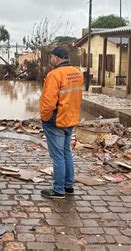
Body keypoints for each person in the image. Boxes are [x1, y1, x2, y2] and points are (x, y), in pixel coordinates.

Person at [40, 47, 84, 199]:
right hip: (71, 119)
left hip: (56, 121)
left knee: (58, 155)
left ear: (56, 58)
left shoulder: (54, 75)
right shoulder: (77, 73)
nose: (50, 60)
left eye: (51, 57)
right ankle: (68, 186)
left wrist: (45, 118)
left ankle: (58, 189)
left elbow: (48, 102)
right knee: (66, 153)